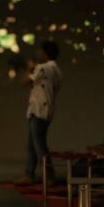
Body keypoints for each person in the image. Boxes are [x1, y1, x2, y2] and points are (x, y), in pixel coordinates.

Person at [16, 41, 62, 185]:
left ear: (45, 53)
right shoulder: (56, 70)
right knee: (32, 145)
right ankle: (29, 174)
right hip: (45, 110)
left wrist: (30, 69)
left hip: (39, 110)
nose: (38, 53)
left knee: (39, 146)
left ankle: (49, 175)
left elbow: (25, 82)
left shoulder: (43, 68)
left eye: (40, 51)